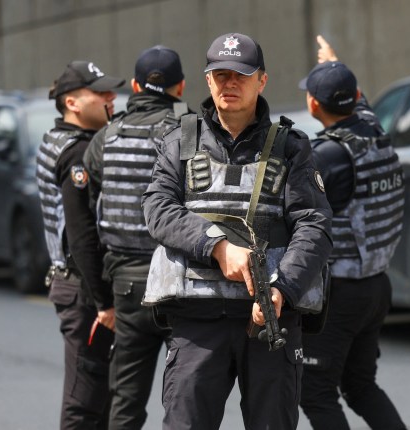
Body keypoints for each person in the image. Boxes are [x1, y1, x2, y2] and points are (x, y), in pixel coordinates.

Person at [141, 32, 333, 430]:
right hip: (197, 320)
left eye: (241, 75)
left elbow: (313, 224)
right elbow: (157, 208)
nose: (230, 83)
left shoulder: (291, 147)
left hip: (270, 318)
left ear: (261, 81)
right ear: (208, 81)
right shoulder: (179, 141)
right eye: (221, 75)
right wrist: (216, 246)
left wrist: (283, 290)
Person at [298, 35, 408, 430]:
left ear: (313, 105)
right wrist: (334, 64)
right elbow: (359, 106)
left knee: (315, 392)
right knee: (361, 386)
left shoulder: (326, 155)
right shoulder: (375, 133)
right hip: (377, 286)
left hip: (340, 293)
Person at [83, 45, 193, 430]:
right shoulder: (190, 129)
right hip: (181, 281)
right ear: (180, 86)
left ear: (134, 86)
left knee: (126, 401)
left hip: (127, 285)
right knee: (185, 401)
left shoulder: (106, 137)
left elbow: (93, 207)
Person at [36, 61, 124, 429]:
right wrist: (104, 302)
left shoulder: (56, 137)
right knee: (85, 405)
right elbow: (82, 234)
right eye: (100, 92)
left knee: (97, 400)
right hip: (85, 291)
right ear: (71, 103)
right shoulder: (77, 152)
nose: (111, 97)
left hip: (72, 284)